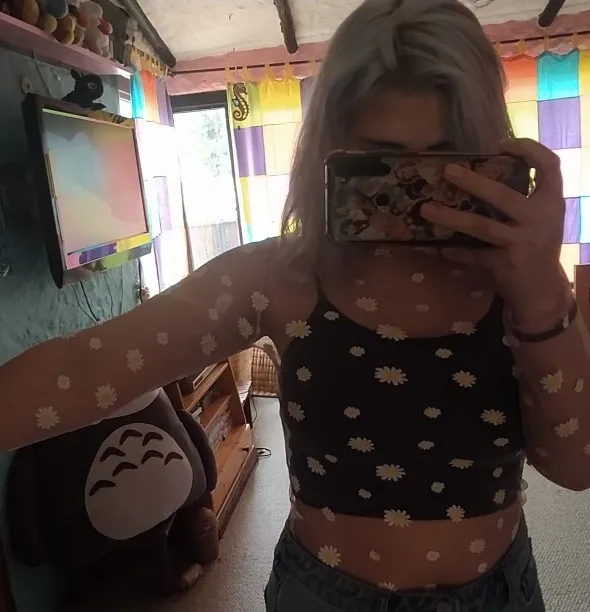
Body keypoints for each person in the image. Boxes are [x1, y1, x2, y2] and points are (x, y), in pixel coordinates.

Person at [1, 0, 588, 610]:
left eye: (446, 163)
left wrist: (543, 294)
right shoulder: (283, 276)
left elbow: (576, 466)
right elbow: (84, 370)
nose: (417, 197)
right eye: (381, 163)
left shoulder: (518, 281)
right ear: (329, 151)